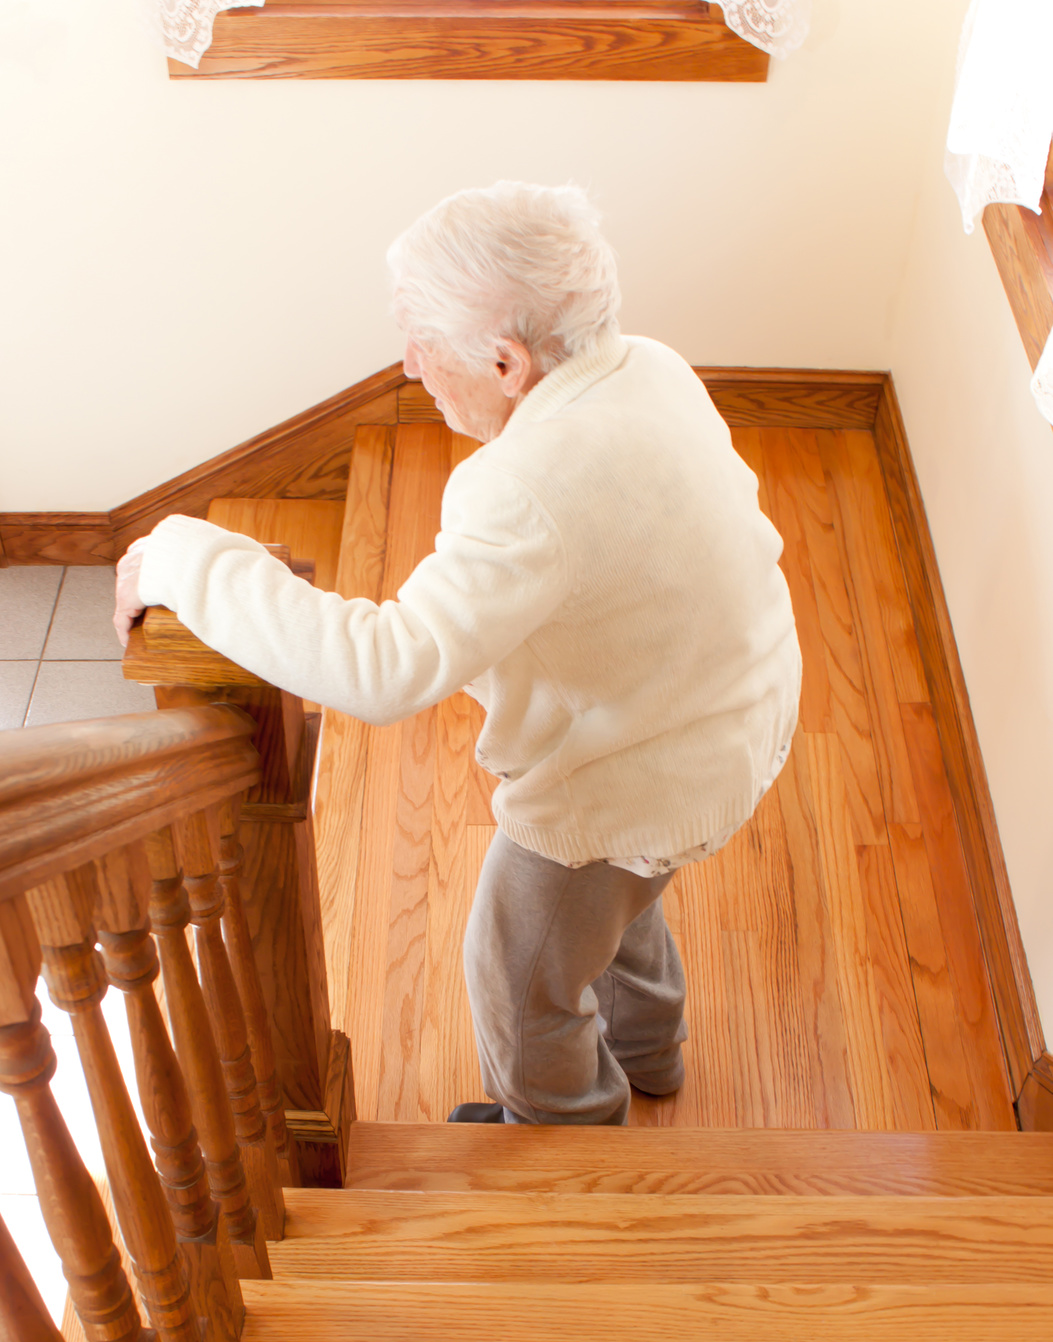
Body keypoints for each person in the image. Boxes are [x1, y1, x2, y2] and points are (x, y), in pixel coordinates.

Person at [115, 181, 801, 1127]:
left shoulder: (523, 486)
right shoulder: (650, 366)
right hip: (734, 716)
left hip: (641, 772)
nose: (407, 362)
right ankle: (650, 1055)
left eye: (421, 338)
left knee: (520, 970)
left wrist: (185, 558)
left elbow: (386, 666)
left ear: (505, 360)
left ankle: (564, 1139)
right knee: (628, 895)